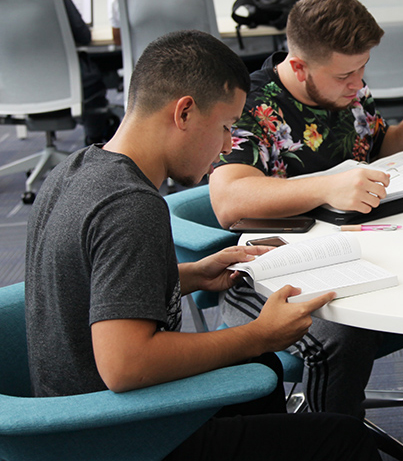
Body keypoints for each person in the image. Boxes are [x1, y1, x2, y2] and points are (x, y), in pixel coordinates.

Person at [24, 29, 380, 461]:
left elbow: (83, 285)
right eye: (226, 126)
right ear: (185, 112)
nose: (229, 145)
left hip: (67, 418)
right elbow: (126, 365)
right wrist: (259, 334)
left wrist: (189, 276)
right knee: (346, 439)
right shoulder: (131, 206)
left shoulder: (75, 170)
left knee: (259, 371)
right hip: (117, 436)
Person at [209, 0, 403, 450]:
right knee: (341, 336)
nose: (358, 83)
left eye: (363, 68)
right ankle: (335, 449)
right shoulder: (252, 105)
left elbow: (374, 151)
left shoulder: (349, 89)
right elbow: (229, 199)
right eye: (346, 74)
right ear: (299, 67)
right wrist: (326, 186)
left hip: (362, 249)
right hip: (271, 273)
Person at [0, 0, 114, 144]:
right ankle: (96, 142)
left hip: (7, 90)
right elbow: (83, 36)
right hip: (64, 84)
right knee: (96, 72)